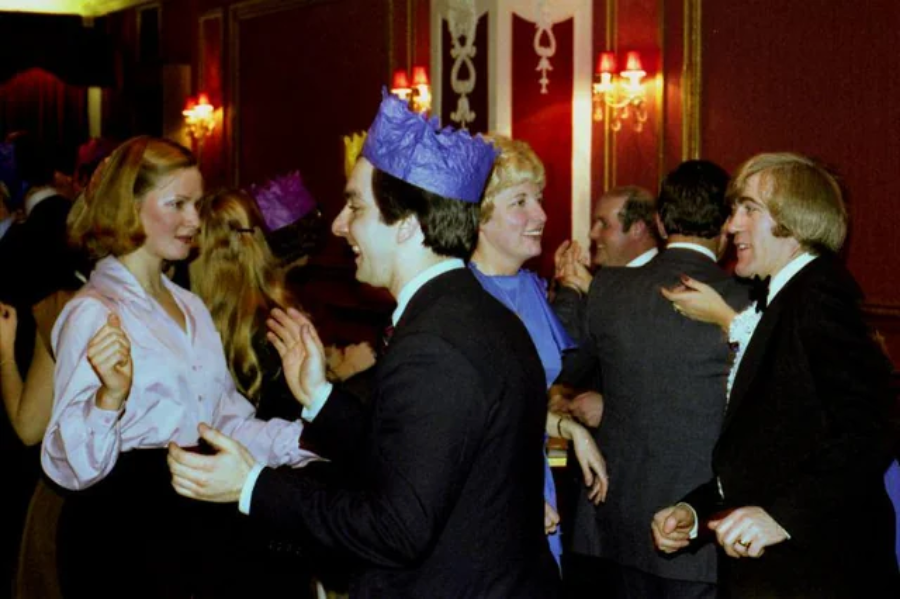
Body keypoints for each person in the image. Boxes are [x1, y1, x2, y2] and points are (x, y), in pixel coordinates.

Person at [167, 90, 561, 597]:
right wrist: (321, 398)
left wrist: (252, 485)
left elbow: (396, 529)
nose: (338, 225)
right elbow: (415, 456)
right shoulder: (467, 311)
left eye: (355, 206)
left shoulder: (437, 342)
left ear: (408, 226)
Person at [41, 135, 318, 599]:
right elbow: (70, 468)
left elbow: (223, 422)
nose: (195, 220)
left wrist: (308, 443)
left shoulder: (190, 306)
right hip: (123, 537)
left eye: (198, 203)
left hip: (193, 527)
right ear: (130, 206)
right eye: (179, 204)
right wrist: (108, 399)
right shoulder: (94, 310)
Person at [652, 152, 899, 598]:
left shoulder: (818, 296)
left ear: (794, 219)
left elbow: (870, 430)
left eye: (749, 209)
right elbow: (772, 452)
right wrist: (696, 512)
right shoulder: (785, 299)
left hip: (819, 575)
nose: (731, 227)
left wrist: (783, 516)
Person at [554, 160, 750, 598]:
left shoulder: (609, 289)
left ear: (660, 222)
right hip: (697, 530)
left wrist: (570, 289)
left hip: (613, 522)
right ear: (725, 223)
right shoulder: (746, 300)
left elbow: (563, 369)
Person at [467, 134, 608, 569]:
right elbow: (462, 425)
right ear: (480, 215)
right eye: (520, 202)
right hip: (485, 498)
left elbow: (520, 403)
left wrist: (571, 430)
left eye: (540, 199)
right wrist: (514, 496)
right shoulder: (462, 296)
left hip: (534, 480)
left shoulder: (527, 288)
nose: (541, 215)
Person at [551, 185, 659, 343]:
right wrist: (561, 287)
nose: (593, 233)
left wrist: (594, 290)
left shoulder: (667, 279)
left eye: (604, 224)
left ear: (637, 228)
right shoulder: (593, 279)